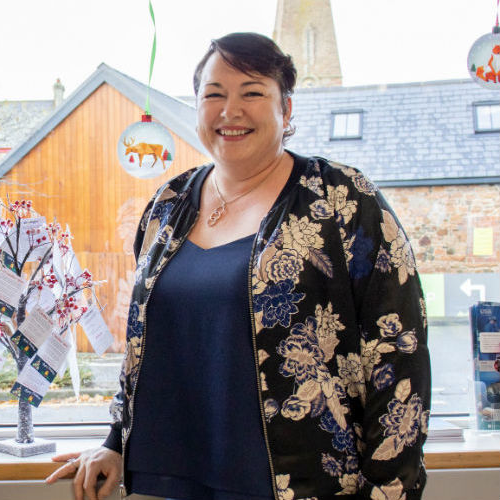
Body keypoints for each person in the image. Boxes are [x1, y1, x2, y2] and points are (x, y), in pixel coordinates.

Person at [46, 32, 431, 500]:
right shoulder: (167, 205)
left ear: (286, 110)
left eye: (253, 92)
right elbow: (142, 346)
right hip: (170, 482)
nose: (230, 111)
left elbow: (399, 349)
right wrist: (115, 444)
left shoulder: (342, 199)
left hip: (304, 485)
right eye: (214, 94)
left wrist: (390, 490)